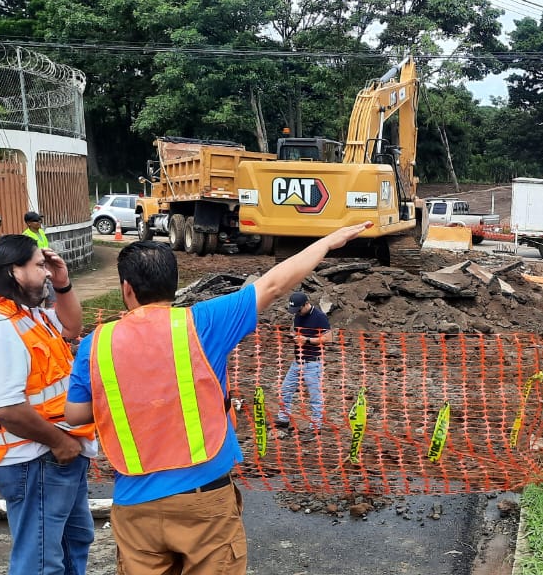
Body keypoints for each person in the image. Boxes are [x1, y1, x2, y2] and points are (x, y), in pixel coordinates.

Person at [64, 221, 371, 574]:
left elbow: (75, 415)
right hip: (205, 499)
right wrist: (328, 241)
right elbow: (273, 283)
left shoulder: (96, 344)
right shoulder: (203, 322)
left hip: (135, 504)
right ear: (174, 284)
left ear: (126, 288)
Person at [0, 234, 96, 575]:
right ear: (14, 271)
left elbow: (72, 327)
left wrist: (62, 283)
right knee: (41, 560)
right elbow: (6, 408)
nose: (47, 272)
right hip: (35, 458)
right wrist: (61, 443)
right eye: (39, 265)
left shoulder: (26, 315)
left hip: (53, 455)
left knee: (73, 541)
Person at [275, 291, 330, 433]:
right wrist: (294, 336)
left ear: (306, 304)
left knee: (314, 396)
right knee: (285, 390)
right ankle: (283, 420)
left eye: (298, 309)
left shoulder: (320, 317)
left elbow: (328, 338)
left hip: (313, 363)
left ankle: (316, 427)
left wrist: (306, 340)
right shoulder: (298, 316)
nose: (297, 313)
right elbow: (295, 330)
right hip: (297, 361)